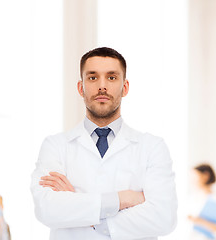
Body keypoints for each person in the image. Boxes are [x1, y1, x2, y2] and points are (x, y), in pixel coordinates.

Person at [31, 47, 177, 240]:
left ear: (124, 87)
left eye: (111, 77)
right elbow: (47, 209)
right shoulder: (55, 146)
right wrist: (123, 199)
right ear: (80, 87)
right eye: (92, 77)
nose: (102, 86)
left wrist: (80, 208)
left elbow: (163, 218)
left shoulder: (152, 147)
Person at [188, 164, 216, 240]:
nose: (192, 181)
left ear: (206, 176)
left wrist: (200, 221)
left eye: (194, 177)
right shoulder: (192, 198)